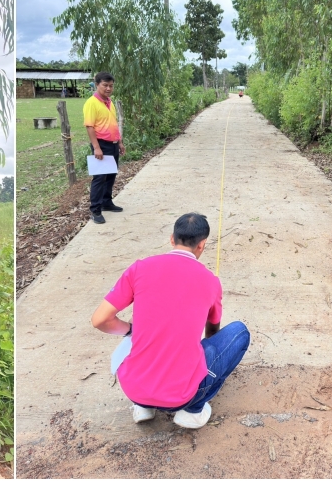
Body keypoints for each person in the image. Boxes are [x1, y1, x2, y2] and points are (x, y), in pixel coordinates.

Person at [91, 213, 250, 429]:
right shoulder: (211, 281)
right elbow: (213, 333)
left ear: (171, 239)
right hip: (183, 395)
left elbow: (100, 319)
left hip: (133, 389)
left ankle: (143, 406)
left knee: (141, 338)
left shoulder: (139, 268)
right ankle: (192, 411)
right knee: (239, 332)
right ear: (202, 245)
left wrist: (130, 329)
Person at [84, 72, 125, 224]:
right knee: (99, 178)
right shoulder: (91, 103)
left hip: (113, 144)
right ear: (97, 84)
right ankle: (95, 210)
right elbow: (89, 126)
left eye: (111, 86)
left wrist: (119, 142)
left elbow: (113, 123)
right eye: (105, 85)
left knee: (111, 176)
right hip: (101, 145)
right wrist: (96, 147)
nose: (108, 88)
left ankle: (107, 202)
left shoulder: (109, 102)